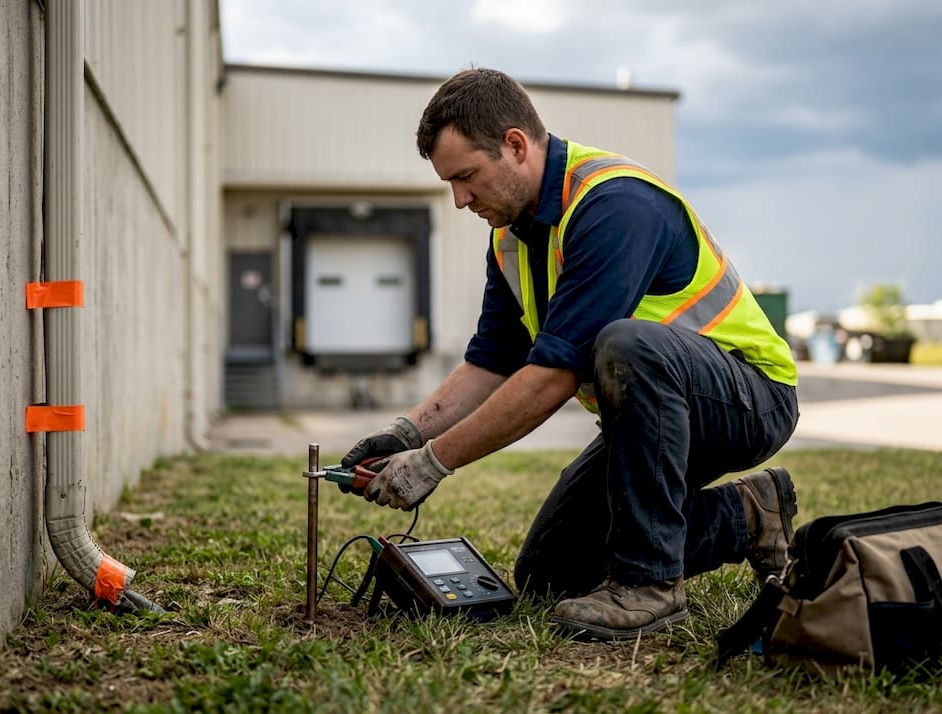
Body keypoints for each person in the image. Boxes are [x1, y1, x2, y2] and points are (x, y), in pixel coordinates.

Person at [340, 67, 800, 641]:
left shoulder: (614, 205)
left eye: (466, 177)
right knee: (550, 574)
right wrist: (408, 434)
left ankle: (650, 587)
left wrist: (433, 463)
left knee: (624, 342)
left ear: (515, 145)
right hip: (655, 412)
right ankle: (749, 515)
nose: (459, 200)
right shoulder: (511, 236)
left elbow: (555, 375)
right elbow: (492, 361)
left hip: (746, 399)